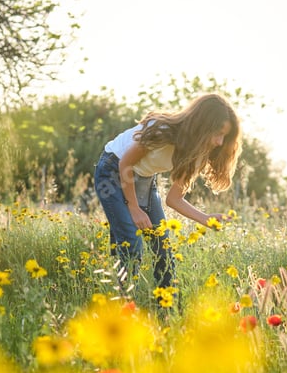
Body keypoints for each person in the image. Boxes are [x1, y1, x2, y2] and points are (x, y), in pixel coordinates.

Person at [94, 93, 242, 295]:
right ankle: (123, 306)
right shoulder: (162, 131)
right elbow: (126, 164)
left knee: (162, 248)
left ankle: (167, 310)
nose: (219, 142)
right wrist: (134, 208)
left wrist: (205, 219)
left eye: (224, 136)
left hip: (144, 177)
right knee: (132, 243)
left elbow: (174, 199)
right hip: (114, 170)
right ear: (202, 124)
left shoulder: (199, 152)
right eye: (217, 133)